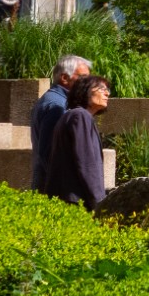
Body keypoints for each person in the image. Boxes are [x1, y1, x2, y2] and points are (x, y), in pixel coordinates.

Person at [41, 73, 111, 208]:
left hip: (67, 199)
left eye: (107, 90)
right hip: (75, 201)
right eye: (101, 88)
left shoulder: (73, 115)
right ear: (85, 91)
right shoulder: (80, 116)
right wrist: (99, 203)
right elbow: (86, 162)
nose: (107, 93)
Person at [30, 54, 91, 193]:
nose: (89, 83)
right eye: (84, 78)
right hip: (55, 191)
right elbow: (50, 154)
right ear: (64, 78)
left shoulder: (55, 100)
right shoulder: (57, 106)